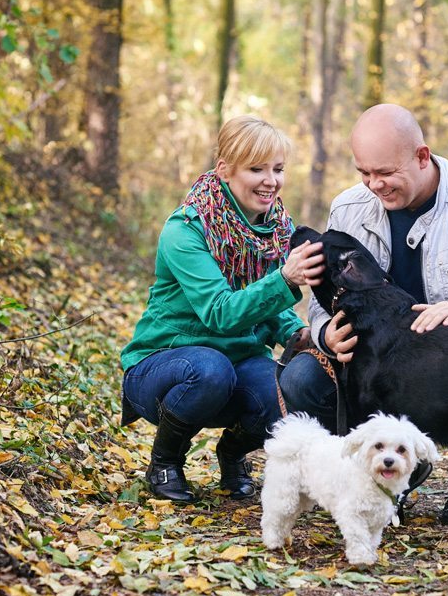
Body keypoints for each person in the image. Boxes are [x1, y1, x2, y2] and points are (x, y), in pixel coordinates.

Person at [279, 103, 448, 526]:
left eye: (385, 172)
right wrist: (323, 333)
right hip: (382, 365)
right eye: (364, 172)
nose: (374, 185)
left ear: (422, 156)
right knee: (301, 377)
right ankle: (374, 479)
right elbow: (323, 293)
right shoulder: (349, 207)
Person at [121, 115, 324, 502]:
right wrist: (285, 279)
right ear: (225, 170)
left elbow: (265, 299)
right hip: (164, 366)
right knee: (210, 369)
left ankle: (232, 454)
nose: (271, 181)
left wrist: (294, 332)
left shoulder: (274, 229)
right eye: (256, 169)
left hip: (236, 363)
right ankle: (165, 461)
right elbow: (220, 311)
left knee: (287, 392)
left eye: (278, 169)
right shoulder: (185, 230)